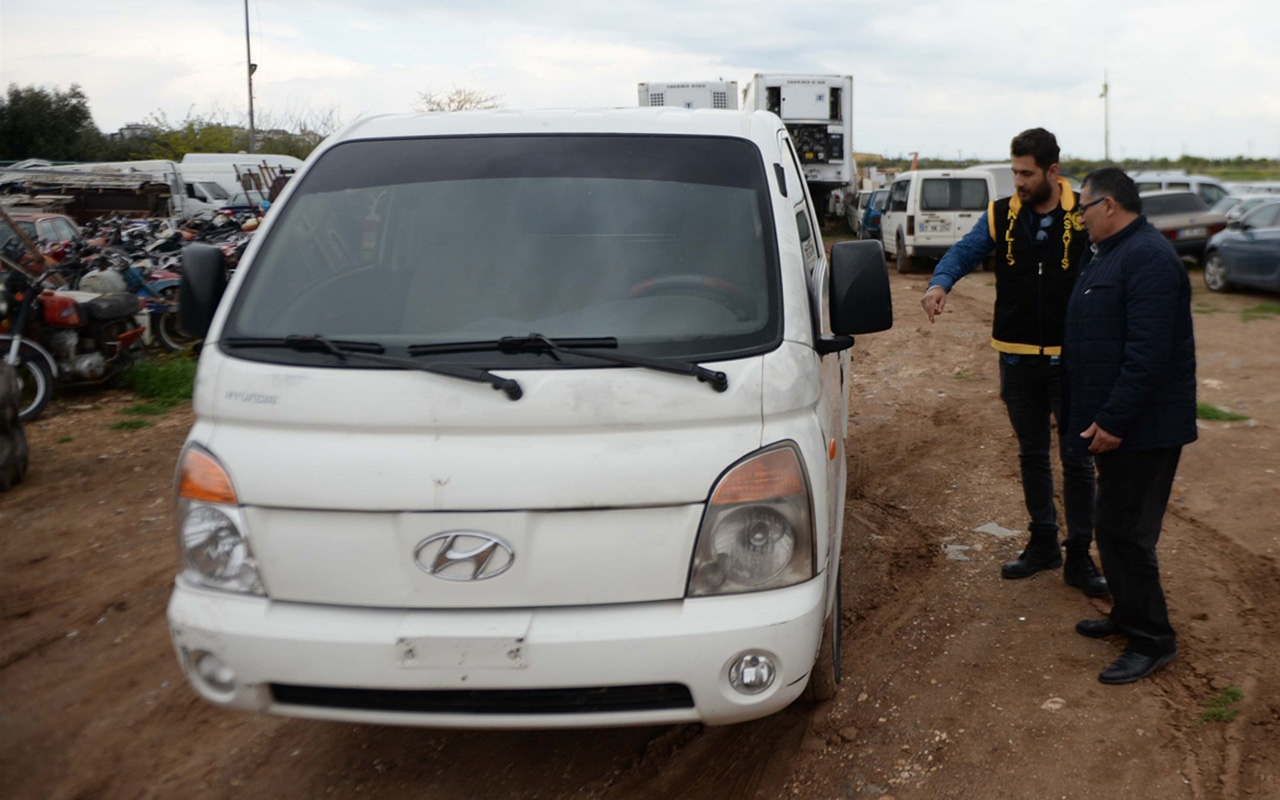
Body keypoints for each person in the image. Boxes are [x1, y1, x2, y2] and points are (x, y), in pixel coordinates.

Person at [920, 128, 1107, 598]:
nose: (1018, 181)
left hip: (1073, 361)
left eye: (1026, 173)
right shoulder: (1001, 213)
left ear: (1052, 171)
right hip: (1017, 357)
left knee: (1077, 459)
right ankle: (1043, 542)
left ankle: (1080, 555)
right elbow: (965, 251)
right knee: (1031, 453)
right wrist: (939, 283)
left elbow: (1114, 266)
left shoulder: (1083, 213)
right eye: (1015, 172)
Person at [1065, 167, 1196, 684]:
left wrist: (1115, 419)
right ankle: (1126, 614)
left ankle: (1153, 640)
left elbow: (1148, 354)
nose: (1079, 218)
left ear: (1109, 206)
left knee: (1127, 533)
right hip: (1119, 424)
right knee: (1112, 525)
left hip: (1144, 428)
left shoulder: (1147, 258)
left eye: (1084, 209)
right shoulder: (1110, 252)